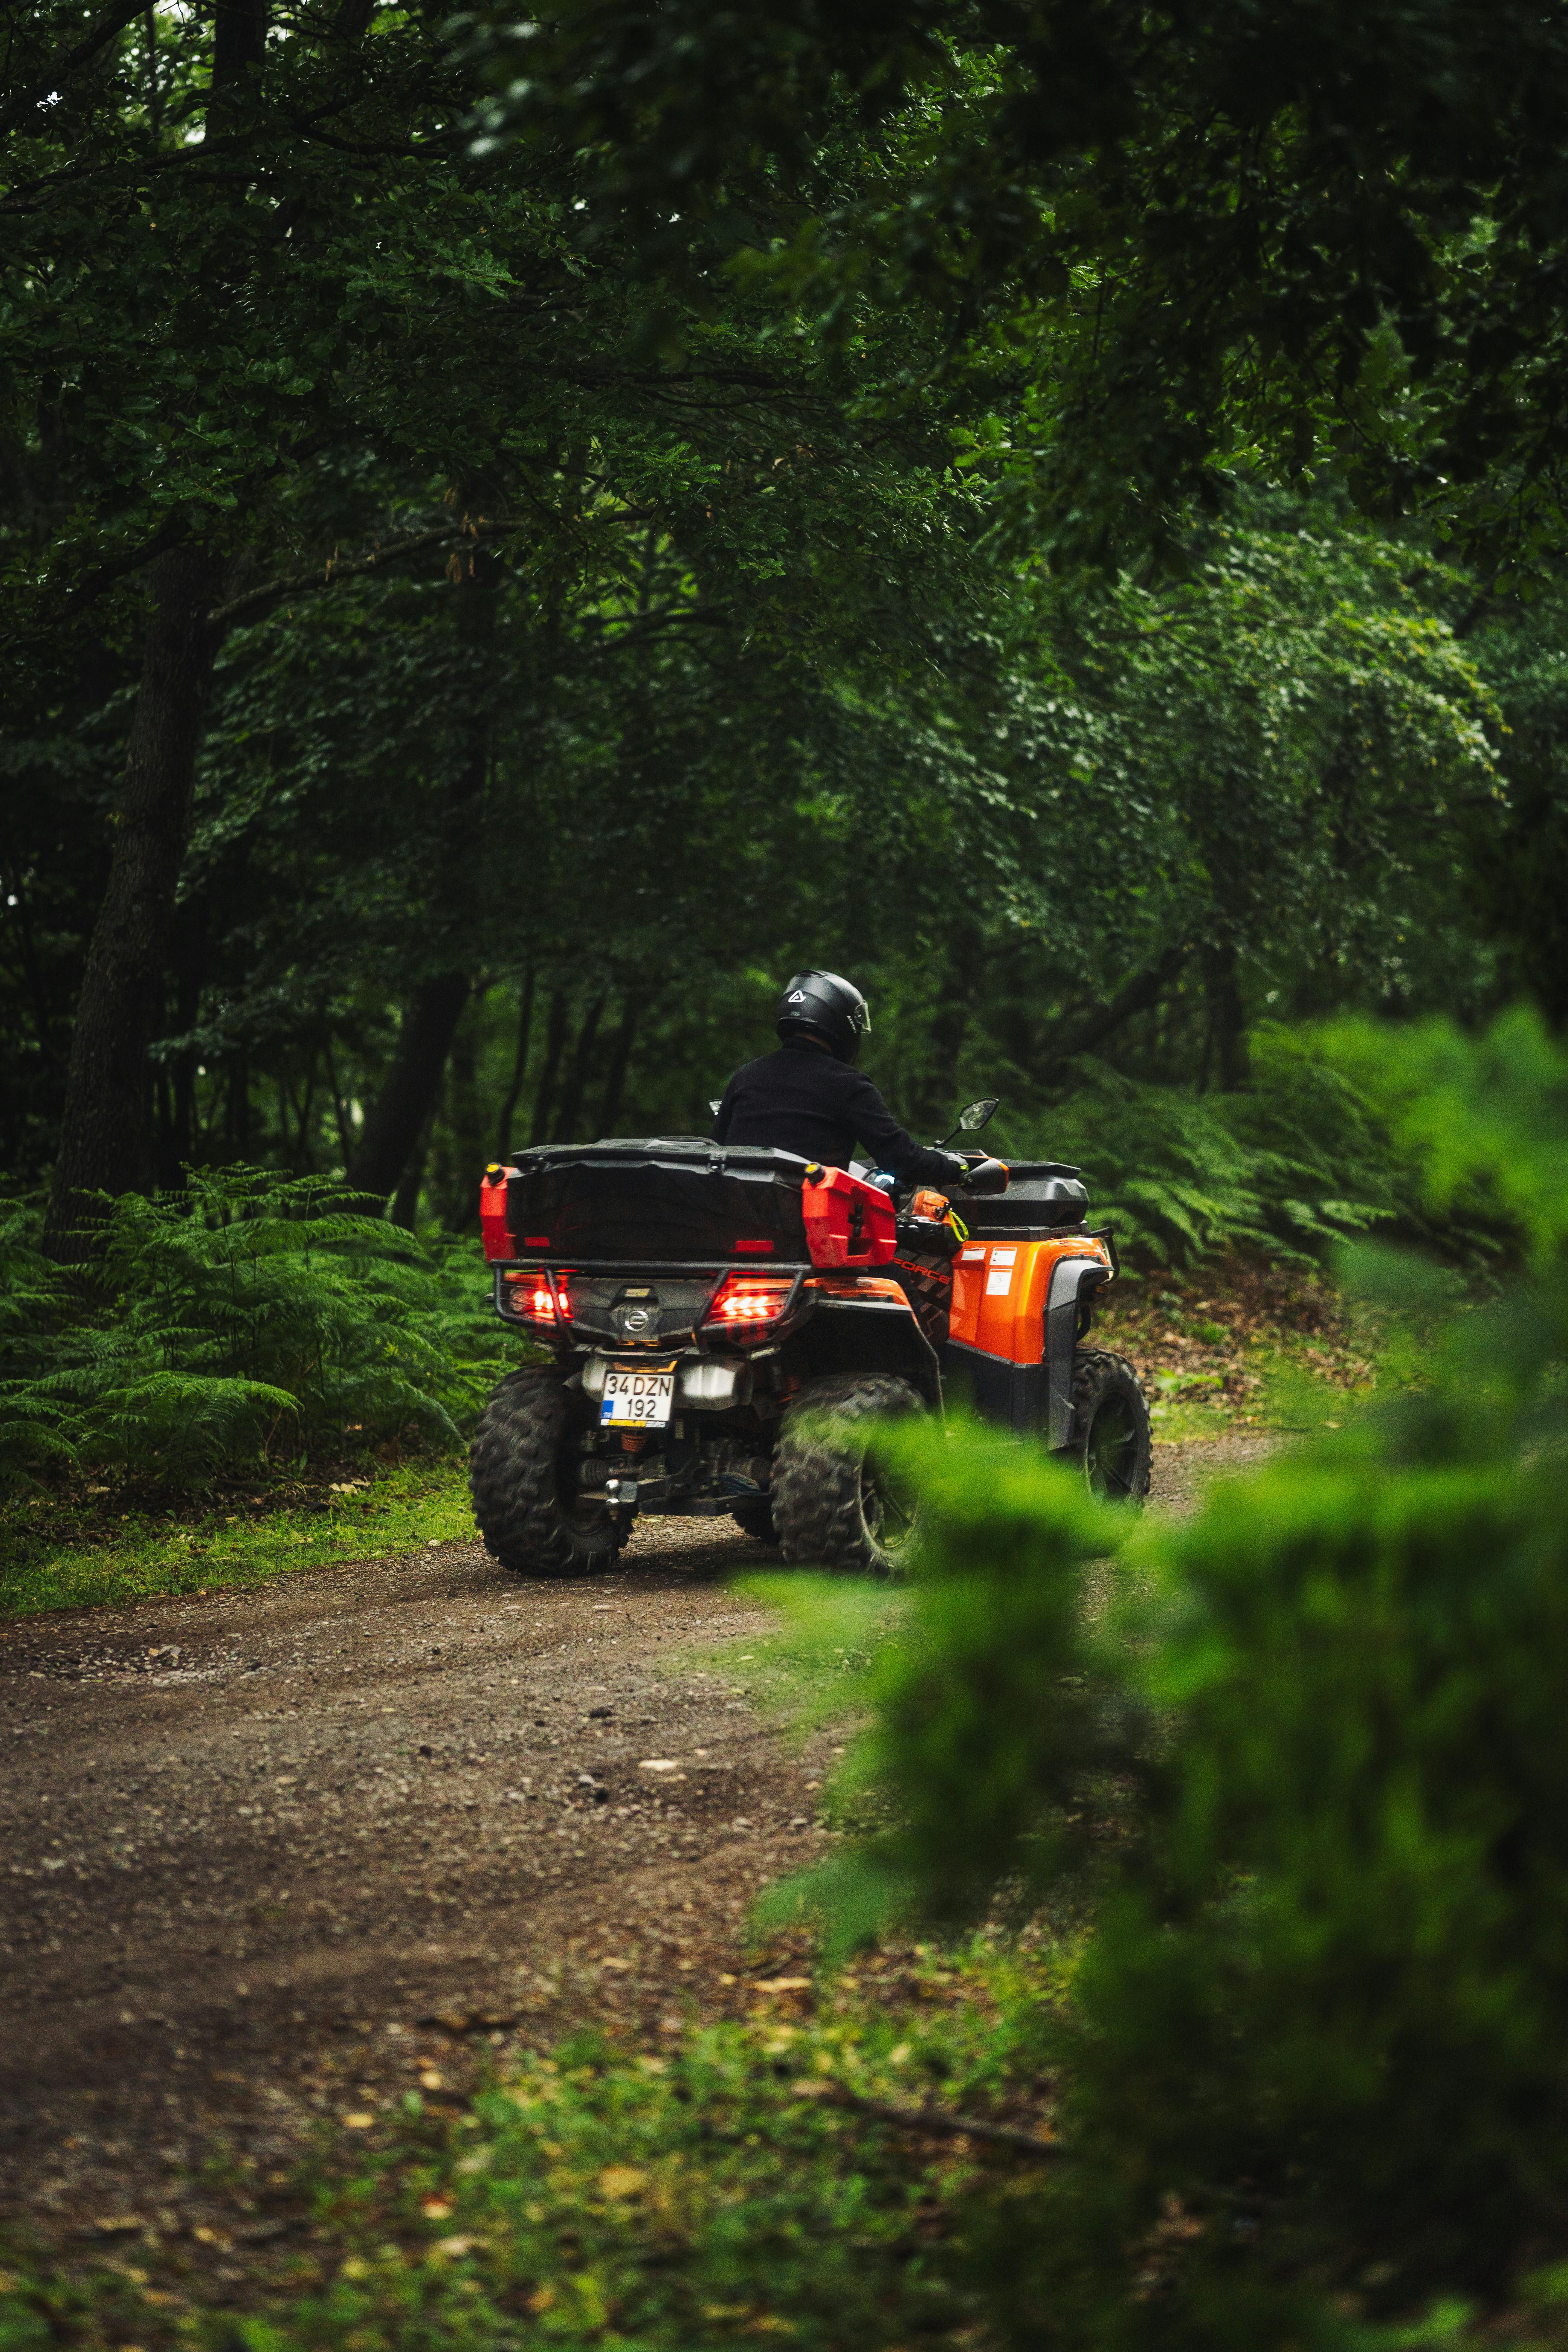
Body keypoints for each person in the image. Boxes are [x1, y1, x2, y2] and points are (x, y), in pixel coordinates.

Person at [710, 970, 967, 1188]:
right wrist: (956, 1168)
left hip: (737, 1222)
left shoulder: (745, 1076)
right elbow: (901, 1159)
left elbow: (716, 1148)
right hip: (807, 1229)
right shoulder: (847, 1083)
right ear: (841, 1021)